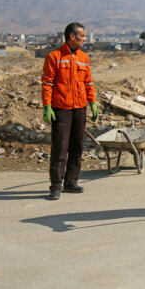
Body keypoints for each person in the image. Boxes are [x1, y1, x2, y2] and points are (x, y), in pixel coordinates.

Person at [41, 22, 99, 200]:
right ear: (72, 37)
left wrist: (93, 102)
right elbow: (48, 84)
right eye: (82, 36)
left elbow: (88, 82)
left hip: (79, 108)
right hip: (62, 109)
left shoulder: (83, 58)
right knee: (60, 147)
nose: (84, 39)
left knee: (77, 146)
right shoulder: (54, 57)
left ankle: (71, 182)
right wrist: (47, 107)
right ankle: (55, 186)